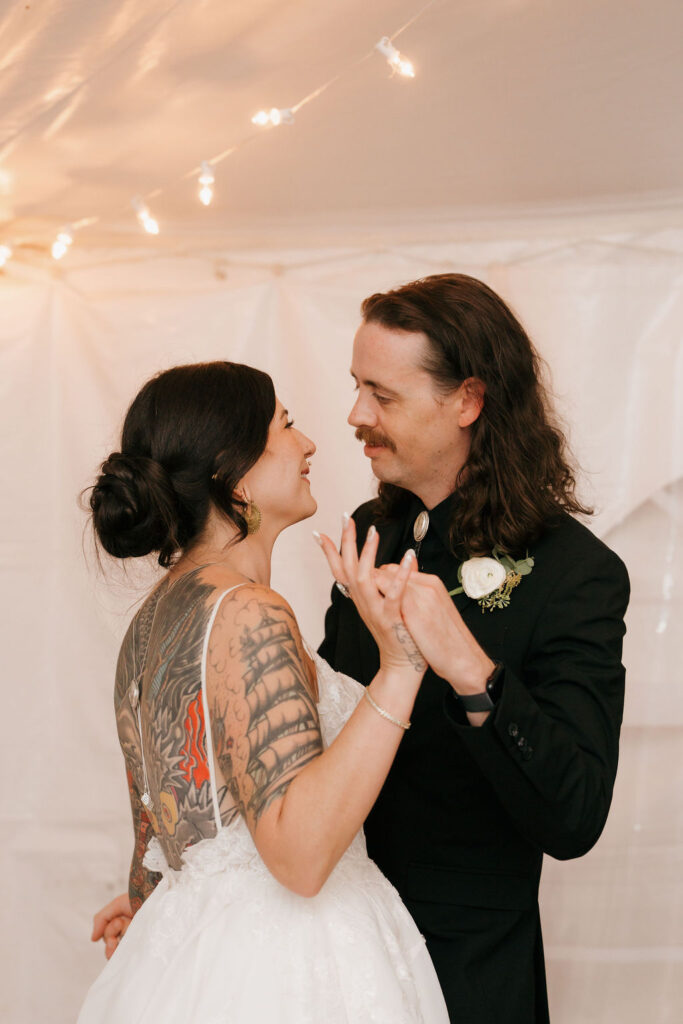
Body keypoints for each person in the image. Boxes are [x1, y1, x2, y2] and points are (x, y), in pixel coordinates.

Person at [79, 361, 449, 1023]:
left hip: (189, 952)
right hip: (287, 965)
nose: (308, 444)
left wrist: (142, 907)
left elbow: (156, 823)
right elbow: (301, 858)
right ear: (233, 472)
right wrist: (401, 664)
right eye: (285, 425)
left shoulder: (150, 625)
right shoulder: (248, 611)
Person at [316, 273, 630, 1023]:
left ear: (466, 400)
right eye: (357, 387)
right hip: (332, 946)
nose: (355, 415)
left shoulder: (574, 573)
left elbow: (573, 817)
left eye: (382, 396)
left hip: (466, 969)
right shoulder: (368, 529)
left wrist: (471, 670)